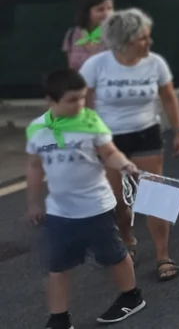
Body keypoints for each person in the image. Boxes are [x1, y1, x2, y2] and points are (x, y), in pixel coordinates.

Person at [27, 69, 147, 329]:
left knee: (113, 255)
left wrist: (124, 164)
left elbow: (109, 153)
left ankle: (132, 296)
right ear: (51, 100)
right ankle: (59, 318)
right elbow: (35, 166)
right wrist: (34, 202)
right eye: (72, 100)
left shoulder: (90, 121)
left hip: (96, 208)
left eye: (82, 98)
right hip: (60, 212)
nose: (80, 104)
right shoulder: (37, 129)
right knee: (57, 266)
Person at [79, 8, 179, 282]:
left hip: (146, 134)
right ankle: (127, 238)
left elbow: (168, 97)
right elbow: (84, 103)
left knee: (155, 194)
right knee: (117, 201)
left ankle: (163, 255)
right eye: (143, 38)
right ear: (123, 42)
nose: (149, 43)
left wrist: (178, 132)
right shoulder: (96, 65)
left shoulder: (155, 63)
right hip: (110, 139)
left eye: (148, 37)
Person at [64, 0, 113, 71]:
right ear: (86, 12)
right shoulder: (72, 34)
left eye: (110, 8)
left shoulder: (116, 35)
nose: (107, 13)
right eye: (100, 9)